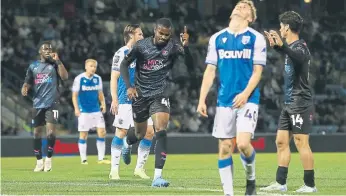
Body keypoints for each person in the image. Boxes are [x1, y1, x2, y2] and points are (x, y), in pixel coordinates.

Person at [197, 0, 267, 195]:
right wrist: (202, 99)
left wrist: (245, 94)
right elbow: (210, 71)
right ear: (231, 14)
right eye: (239, 4)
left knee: (243, 144)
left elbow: (257, 72)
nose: (240, 6)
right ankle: (229, 193)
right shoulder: (217, 38)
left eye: (246, 7)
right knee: (225, 147)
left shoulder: (256, 38)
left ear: (251, 18)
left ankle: (250, 179)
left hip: (248, 99)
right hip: (224, 100)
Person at [120, 18, 193, 187]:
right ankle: (126, 142)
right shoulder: (141, 46)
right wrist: (129, 86)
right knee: (139, 134)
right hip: (140, 95)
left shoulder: (174, 46)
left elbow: (191, 66)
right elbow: (124, 65)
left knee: (160, 129)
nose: (163, 37)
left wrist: (187, 47)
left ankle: (157, 177)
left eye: (167, 35)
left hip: (160, 93)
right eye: (161, 34)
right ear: (155, 31)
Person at [261, 11, 317, 193]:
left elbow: (298, 57)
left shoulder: (301, 47)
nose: (279, 29)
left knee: (301, 143)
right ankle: (280, 182)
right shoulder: (292, 47)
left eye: (281, 26)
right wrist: (277, 47)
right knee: (281, 141)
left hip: (300, 101)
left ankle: (310, 185)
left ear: (286, 27)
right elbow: (290, 54)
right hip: (288, 102)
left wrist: (281, 46)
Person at [109, 24, 154, 180]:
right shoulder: (121, 53)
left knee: (149, 132)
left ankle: (139, 169)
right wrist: (114, 99)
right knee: (120, 131)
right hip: (125, 99)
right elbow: (114, 78)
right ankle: (114, 170)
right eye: (140, 34)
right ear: (131, 35)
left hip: (143, 99)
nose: (142, 37)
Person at [21, 41, 68, 172]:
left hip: (53, 103)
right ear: (40, 52)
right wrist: (25, 88)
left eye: (50, 49)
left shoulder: (54, 64)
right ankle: (39, 161)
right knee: (36, 133)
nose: (48, 50)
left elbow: (64, 77)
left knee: (51, 133)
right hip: (37, 104)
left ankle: (48, 159)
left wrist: (58, 61)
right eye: (45, 48)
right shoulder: (33, 66)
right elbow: (28, 82)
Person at [72, 59, 110, 165]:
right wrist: (76, 108)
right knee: (83, 134)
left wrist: (103, 104)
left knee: (102, 132)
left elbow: (100, 94)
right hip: (84, 111)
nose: (93, 68)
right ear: (86, 67)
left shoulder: (98, 78)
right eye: (91, 66)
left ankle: (101, 158)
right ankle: (83, 159)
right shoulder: (79, 79)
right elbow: (74, 96)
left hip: (96, 110)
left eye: (94, 66)